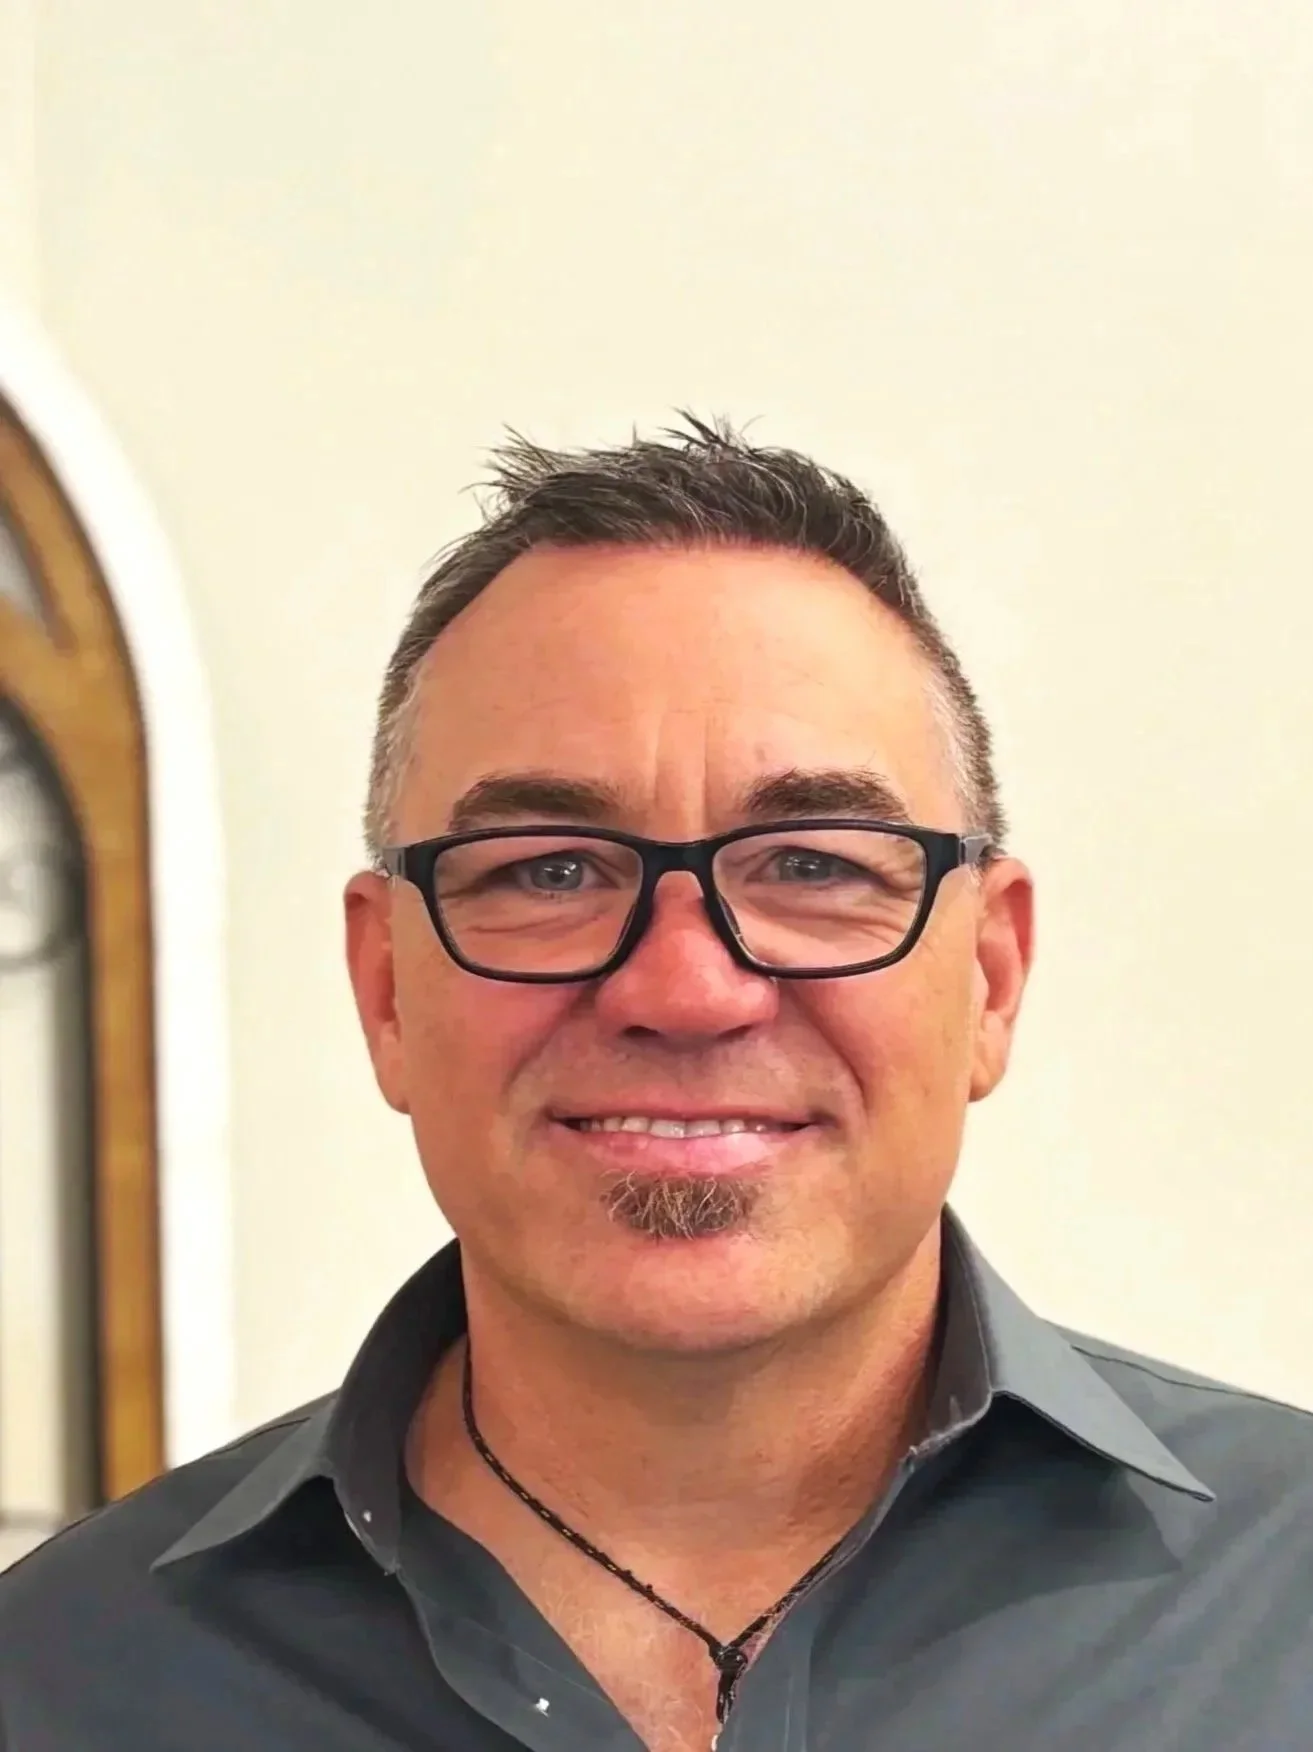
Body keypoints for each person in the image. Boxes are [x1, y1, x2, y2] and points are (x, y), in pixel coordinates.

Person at [1, 419, 1310, 1752]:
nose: (685, 992)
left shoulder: (1287, 1607)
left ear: (989, 975)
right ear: (385, 987)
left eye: (812, 865)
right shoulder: (61, 1684)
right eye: (550, 871)